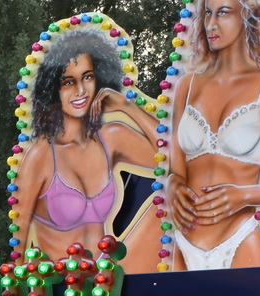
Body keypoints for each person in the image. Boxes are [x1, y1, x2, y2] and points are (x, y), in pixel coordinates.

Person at [164, 0, 260, 269]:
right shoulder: (187, 85)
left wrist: (243, 195)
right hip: (183, 241)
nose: (210, 24)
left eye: (223, 12)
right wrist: (174, 186)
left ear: (250, 16)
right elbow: (175, 171)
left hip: (241, 238)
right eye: (207, 13)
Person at [15, 28, 159, 257]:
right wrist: (16, 288)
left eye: (88, 77)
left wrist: (127, 107)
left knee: (169, 198)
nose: (81, 90)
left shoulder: (110, 139)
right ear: (53, 90)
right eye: (68, 82)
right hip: (62, 286)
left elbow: (171, 158)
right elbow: (19, 236)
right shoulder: (41, 154)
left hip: (105, 281)